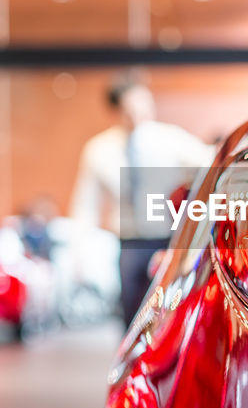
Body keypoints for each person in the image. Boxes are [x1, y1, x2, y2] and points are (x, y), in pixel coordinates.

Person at [70, 74, 213, 327]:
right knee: (131, 313)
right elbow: (85, 205)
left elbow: (209, 163)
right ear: (118, 108)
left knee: (171, 310)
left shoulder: (170, 140)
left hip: (167, 240)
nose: (138, 112)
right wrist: (79, 254)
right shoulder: (99, 150)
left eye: (142, 103)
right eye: (131, 106)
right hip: (129, 243)